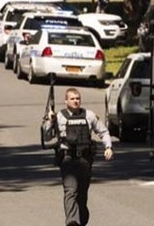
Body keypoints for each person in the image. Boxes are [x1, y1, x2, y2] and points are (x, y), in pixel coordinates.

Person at [43, 88, 113, 226]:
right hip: (67, 159)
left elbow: (103, 132)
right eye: (72, 98)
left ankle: (81, 219)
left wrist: (108, 147)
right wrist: (50, 121)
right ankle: (72, 222)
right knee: (71, 190)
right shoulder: (59, 117)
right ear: (66, 100)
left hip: (85, 161)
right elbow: (46, 137)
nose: (76, 101)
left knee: (81, 195)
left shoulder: (89, 115)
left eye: (77, 98)